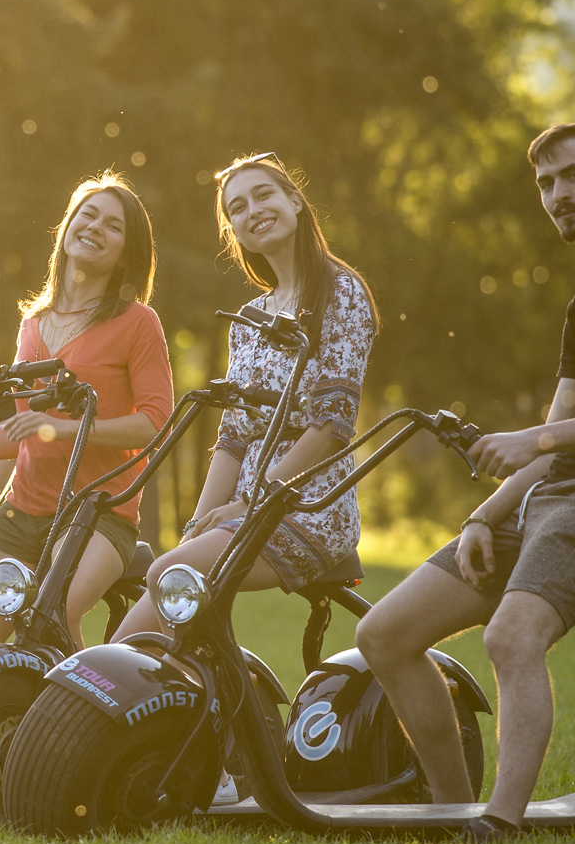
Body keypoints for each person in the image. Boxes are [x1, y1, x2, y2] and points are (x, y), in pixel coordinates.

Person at [355, 122, 575, 842]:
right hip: (560, 498)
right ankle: (451, 810)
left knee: (511, 635)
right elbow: (547, 451)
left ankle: (500, 821)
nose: (559, 194)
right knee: (384, 633)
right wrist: (483, 518)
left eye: (574, 176)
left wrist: (536, 438)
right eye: (547, 184)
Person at [114, 153, 378, 636]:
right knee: (137, 628)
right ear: (233, 230)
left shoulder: (340, 293)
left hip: (309, 508)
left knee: (167, 578)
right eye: (237, 207)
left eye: (263, 194)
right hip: (243, 512)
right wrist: (197, 527)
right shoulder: (250, 318)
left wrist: (251, 503)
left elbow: (331, 429)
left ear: (295, 202)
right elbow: (233, 439)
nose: (252, 209)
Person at [0, 173, 174, 645]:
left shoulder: (138, 323)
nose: (95, 226)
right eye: (87, 214)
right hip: (22, 515)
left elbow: (154, 424)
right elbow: (15, 435)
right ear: (68, 226)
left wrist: (66, 429)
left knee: (51, 615)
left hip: (98, 516)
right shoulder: (33, 324)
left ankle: (75, 716)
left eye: (113, 225)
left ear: (127, 254)